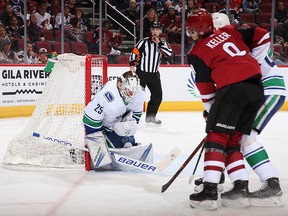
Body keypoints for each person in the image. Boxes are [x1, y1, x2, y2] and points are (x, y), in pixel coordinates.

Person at [186, 9, 265, 210]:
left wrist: (212, 113)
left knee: (216, 138)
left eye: (192, 30)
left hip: (232, 90)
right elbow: (260, 33)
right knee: (232, 140)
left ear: (199, 29)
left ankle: (209, 191)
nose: (190, 34)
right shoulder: (229, 31)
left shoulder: (197, 52)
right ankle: (240, 189)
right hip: (256, 89)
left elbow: (205, 90)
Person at [213, 12, 285, 207]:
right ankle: (227, 179)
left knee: (244, 138)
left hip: (266, 90)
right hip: (259, 91)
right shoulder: (235, 39)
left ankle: (270, 183)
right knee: (237, 136)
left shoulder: (235, 41)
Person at [82, 71, 153, 170]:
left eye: (134, 91)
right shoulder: (107, 96)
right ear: (120, 85)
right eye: (129, 91)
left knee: (128, 144)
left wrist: (127, 127)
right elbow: (89, 120)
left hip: (116, 122)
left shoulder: (138, 92)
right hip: (100, 127)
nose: (133, 95)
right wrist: (98, 143)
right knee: (103, 159)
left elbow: (136, 114)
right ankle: (81, 156)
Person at [129, 21, 172, 125]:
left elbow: (168, 54)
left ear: (160, 31)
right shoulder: (143, 42)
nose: (155, 31)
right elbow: (135, 52)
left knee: (157, 96)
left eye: (157, 29)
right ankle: (130, 117)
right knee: (135, 96)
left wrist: (159, 43)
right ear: (151, 31)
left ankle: (150, 117)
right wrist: (132, 65)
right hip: (142, 73)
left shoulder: (163, 43)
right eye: (153, 29)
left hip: (154, 74)